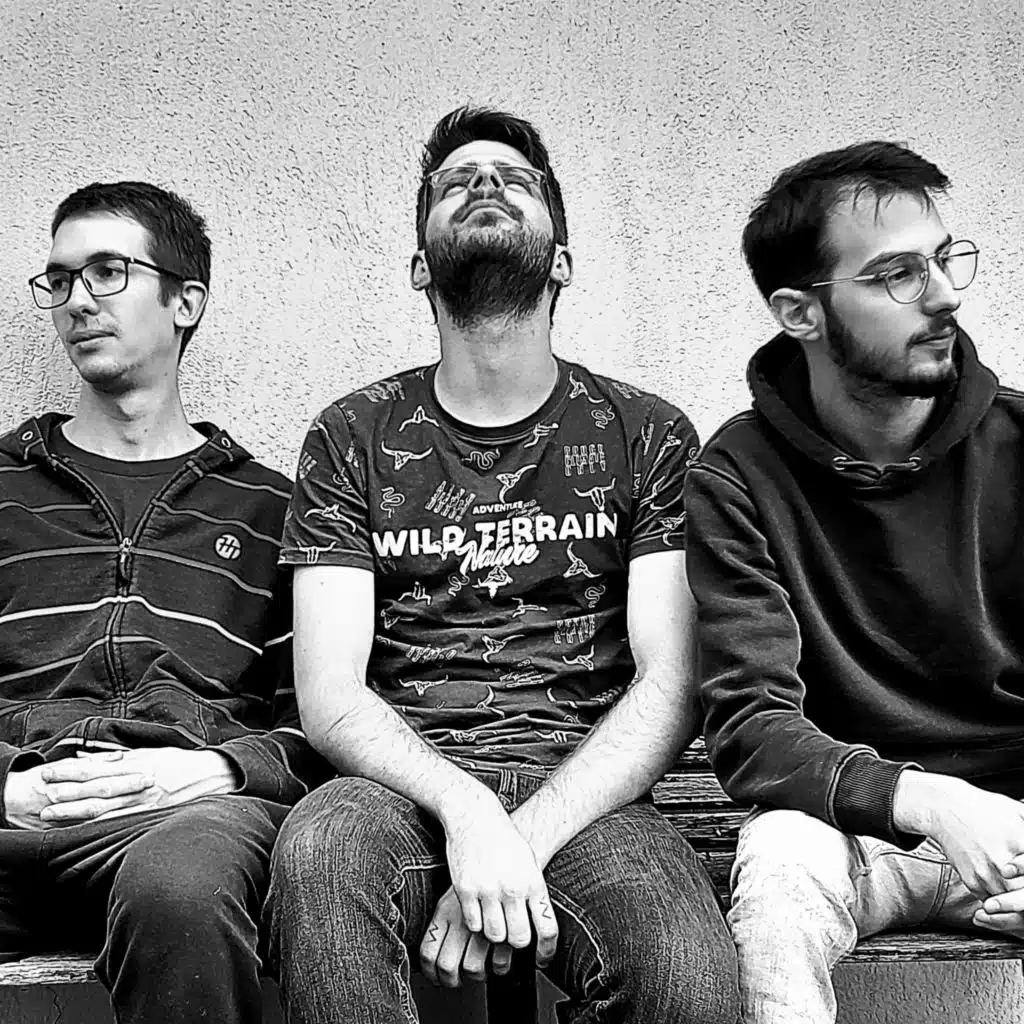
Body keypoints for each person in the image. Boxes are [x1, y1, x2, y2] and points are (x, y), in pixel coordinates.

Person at [265, 106, 738, 1023]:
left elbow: (671, 682)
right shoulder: (351, 434)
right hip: (396, 788)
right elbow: (329, 694)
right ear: (419, 266)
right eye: (455, 183)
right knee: (318, 856)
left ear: (561, 261)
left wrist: (519, 838)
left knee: (683, 976)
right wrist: (469, 814)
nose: (485, 184)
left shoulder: (646, 433)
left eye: (516, 181)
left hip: (591, 791)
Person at [684, 140, 1024, 1023]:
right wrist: (923, 798)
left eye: (943, 260)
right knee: (779, 879)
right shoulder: (738, 478)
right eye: (898, 274)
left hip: (1019, 824)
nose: (944, 295)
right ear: (800, 312)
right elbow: (752, 728)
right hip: (848, 824)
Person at [4, 181, 325, 1024]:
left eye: (108, 272)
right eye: (60, 279)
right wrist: (5, 788)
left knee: (180, 890)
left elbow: (324, 723)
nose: (78, 300)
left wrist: (213, 771)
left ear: (187, 303)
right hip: (15, 813)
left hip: (189, 821)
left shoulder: (271, 511)